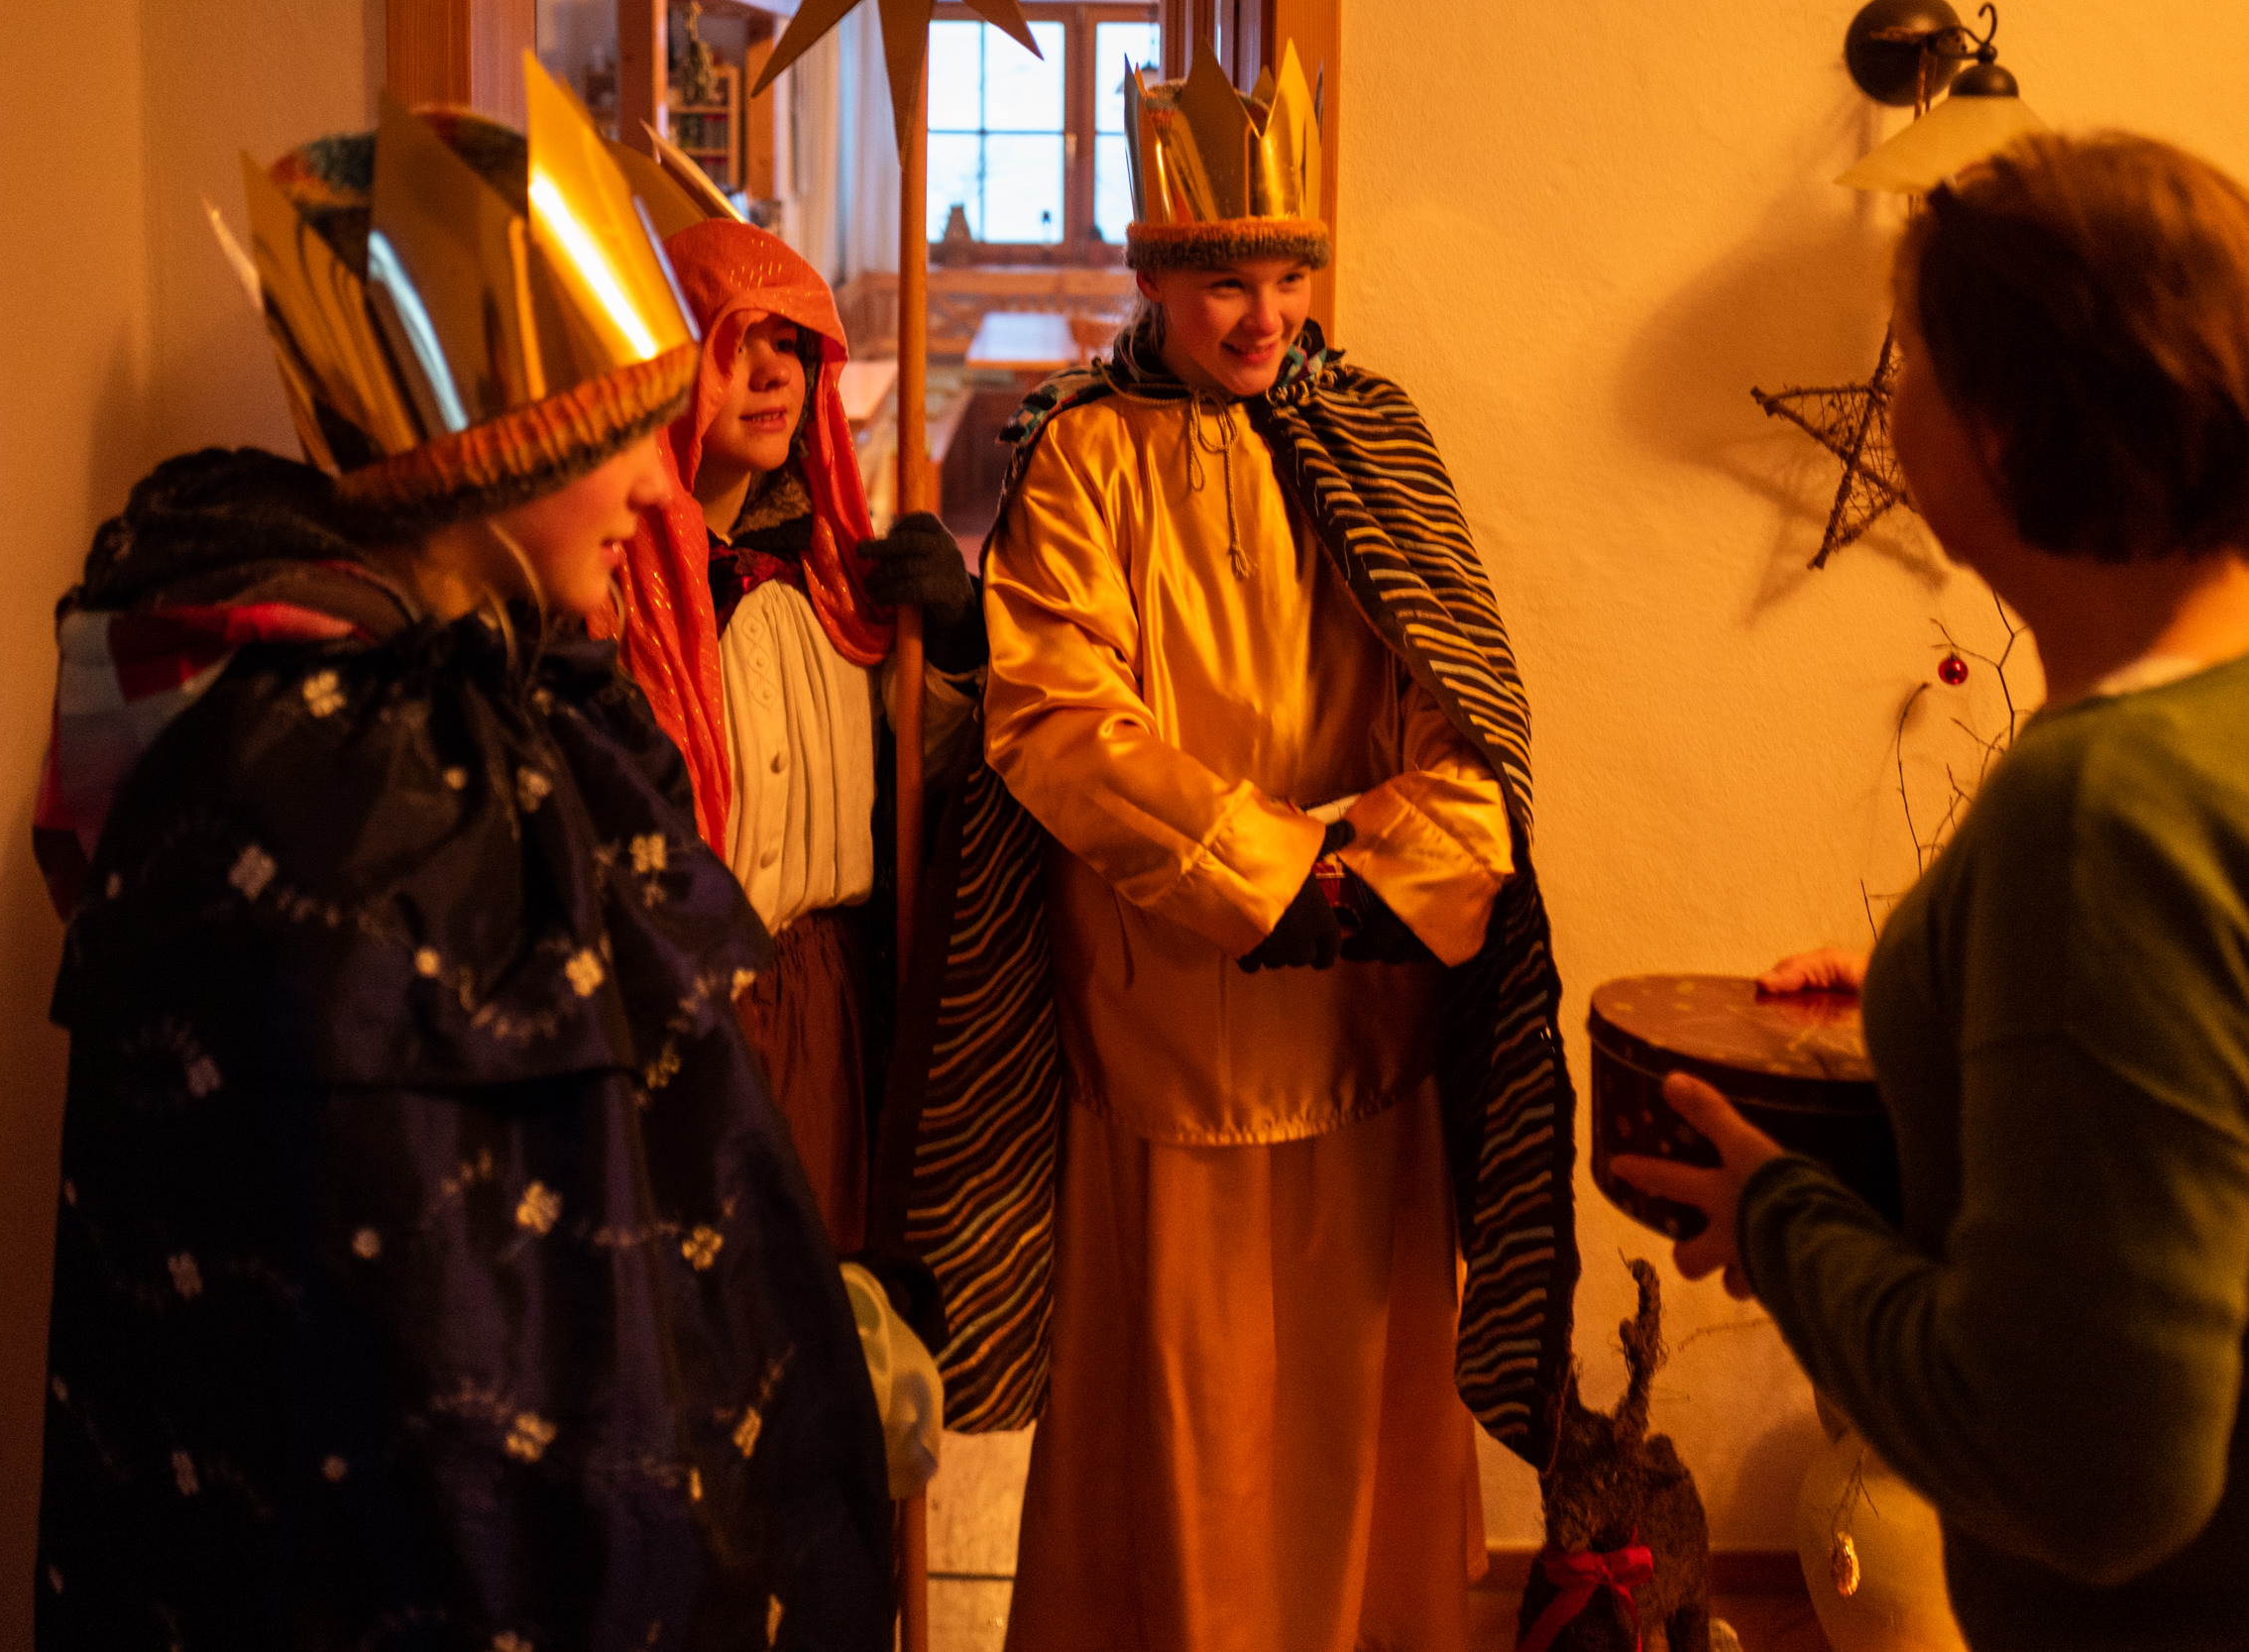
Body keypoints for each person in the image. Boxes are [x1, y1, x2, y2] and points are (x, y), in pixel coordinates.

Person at [27, 77, 893, 1649]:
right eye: (625, 439)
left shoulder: (472, 703)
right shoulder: (342, 783)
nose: (661, 484)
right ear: (504, 457)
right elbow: (442, 1347)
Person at [938, 48, 1580, 1652]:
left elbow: (1461, 710)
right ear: (1154, 278)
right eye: (1228, 281)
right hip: (1169, 1013)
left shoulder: (1368, 434)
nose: (1266, 316)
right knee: (1189, 1419)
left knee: (1359, 1390)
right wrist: (1263, 873)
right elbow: (1054, 710)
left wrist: (1386, 870)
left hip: (1364, 1006)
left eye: (1290, 277)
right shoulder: (1081, 452)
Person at [1618, 131, 2249, 1650]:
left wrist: (1778, 1214)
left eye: (1908, 363)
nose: (1891, 405)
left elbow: (2088, 1468)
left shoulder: (2100, 808)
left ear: (2008, 428)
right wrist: (1962, 996)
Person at [597, 173, 981, 1255]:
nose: (773, 373)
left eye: (791, 344)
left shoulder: (843, 584)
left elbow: (925, 773)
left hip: (830, 1003)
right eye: (736, 344)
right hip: (685, 1001)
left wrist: (954, 634)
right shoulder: (622, 604)